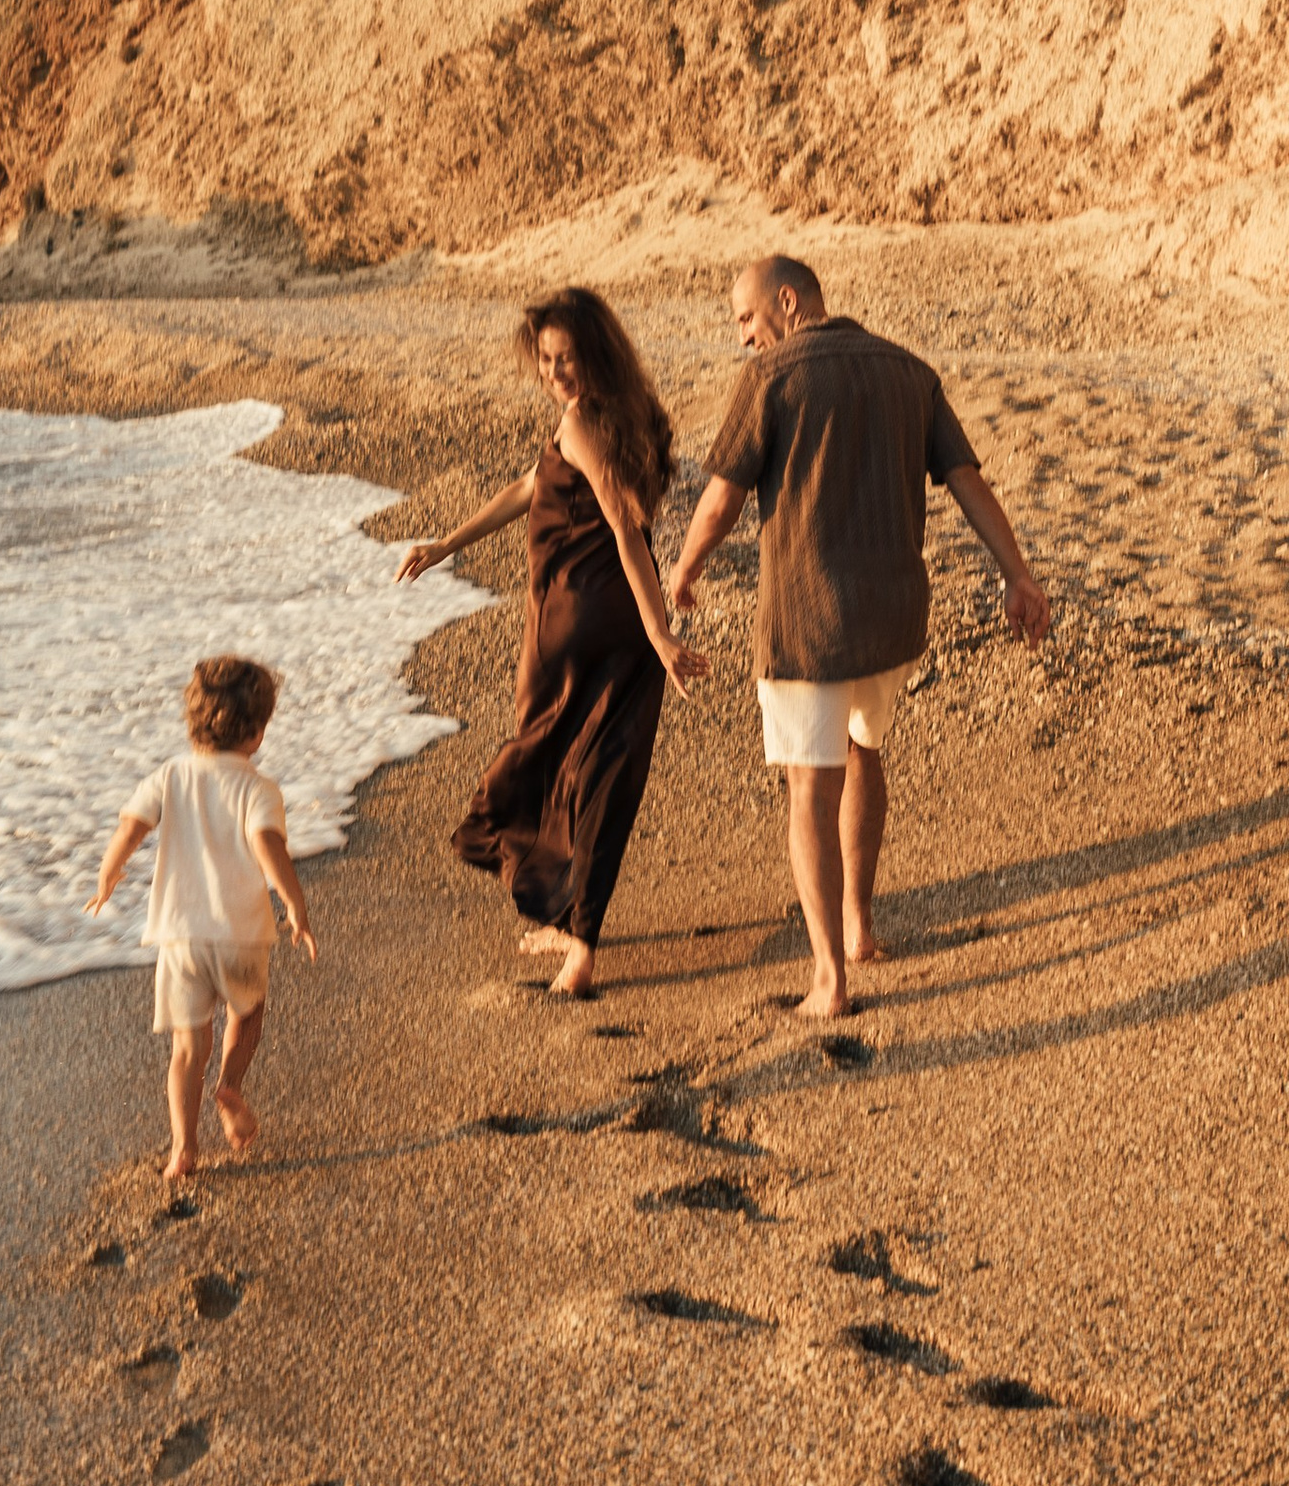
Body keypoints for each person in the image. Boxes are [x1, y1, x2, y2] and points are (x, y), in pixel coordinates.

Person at [668, 255, 1050, 1020]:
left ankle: (827, 979)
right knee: (862, 750)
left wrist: (682, 572)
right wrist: (1020, 575)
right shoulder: (910, 371)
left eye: (747, 318)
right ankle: (860, 929)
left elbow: (721, 503)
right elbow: (969, 479)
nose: (744, 337)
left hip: (808, 619)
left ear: (787, 301)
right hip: (893, 616)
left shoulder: (773, 378)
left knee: (810, 783)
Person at [397, 287, 707, 999]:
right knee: (593, 774)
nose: (556, 372)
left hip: (577, 621)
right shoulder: (621, 414)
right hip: (612, 619)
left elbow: (627, 530)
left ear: (594, 353)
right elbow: (527, 486)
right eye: (545, 360)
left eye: (567, 358)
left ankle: (580, 947)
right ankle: (574, 929)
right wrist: (448, 542)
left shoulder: (586, 426)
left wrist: (662, 633)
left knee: (564, 771)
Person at [86, 652, 316, 1190]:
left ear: (190, 722)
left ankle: (183, 1147)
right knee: (248, 1013)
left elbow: (129, 829)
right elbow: (267, 846)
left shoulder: (168, 777)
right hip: (240, 933)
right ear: (257, 733)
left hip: (180, 936)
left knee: (187, 1048)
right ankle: (230, 1086)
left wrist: (107, 876)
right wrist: (295, 905)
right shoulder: (257, 788)